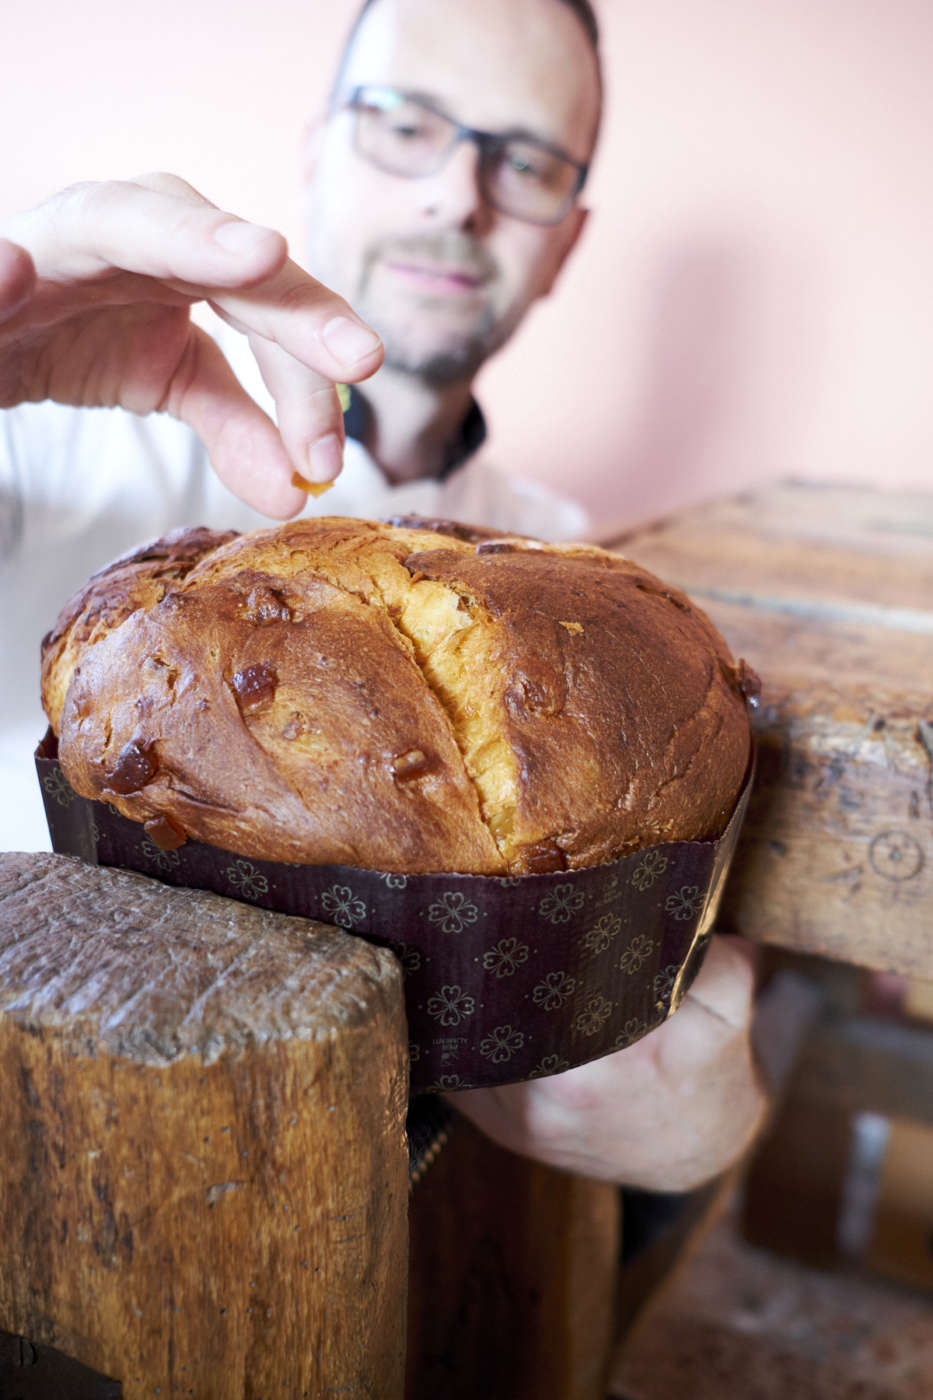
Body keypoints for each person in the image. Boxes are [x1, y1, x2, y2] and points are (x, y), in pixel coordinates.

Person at [0, 0, 766, 1190]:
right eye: (406, 122)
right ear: (319, 148)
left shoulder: (583, 569)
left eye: (523, 161)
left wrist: (702, 1138)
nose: (457, 196)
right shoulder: (52, 438)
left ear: (564, 237)